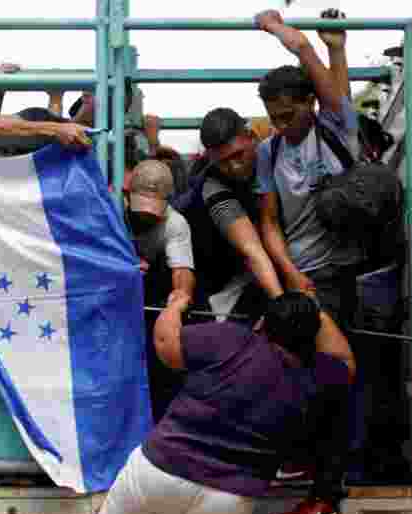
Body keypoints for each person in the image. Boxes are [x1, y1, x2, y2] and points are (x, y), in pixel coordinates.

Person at [47, 289, 356, 514]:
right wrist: (315, 311)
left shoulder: (232, 340)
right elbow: (344, 357)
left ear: (261, 323)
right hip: (228, 501)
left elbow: (166, 346)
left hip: (161, 472)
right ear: (310, 339)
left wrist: (176, 303)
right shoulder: (319, 376)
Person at [253, 10, 362, 329]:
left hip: (345, 271)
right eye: (274, 119)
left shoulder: (336, 127)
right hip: (302, 275)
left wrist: (273, 25)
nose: (281, 126)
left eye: (288, 116)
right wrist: (291, 274)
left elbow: (303, 48)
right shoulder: (268, 152)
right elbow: (269, 222)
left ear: (311, 103)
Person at [182, 108, 305, 321]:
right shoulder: (212, 186)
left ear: (250, 137)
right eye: (223, 161)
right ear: (210, 157)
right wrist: (282, 305)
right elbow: (251, 250)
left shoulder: (277, 154)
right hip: (223, 281)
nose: (234, 167)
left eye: (238, 154)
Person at [127, 160, 196, 422]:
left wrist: (179, 298)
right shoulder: (110, 210)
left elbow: (182, 273)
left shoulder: (176, 224)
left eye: (151, 213)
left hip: (153, 291)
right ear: (127, 195)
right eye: (139, 210)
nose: (144, 218)